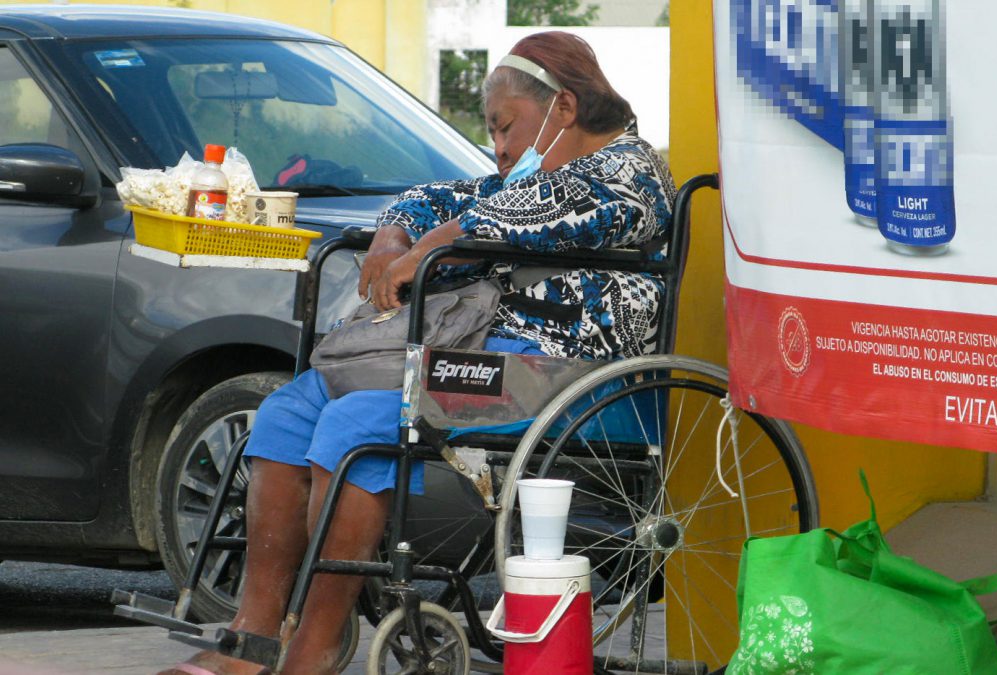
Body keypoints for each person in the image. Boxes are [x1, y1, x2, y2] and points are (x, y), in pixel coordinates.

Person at [161, 30, 675, 675]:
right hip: (485, 361)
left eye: (506, 126)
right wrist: (392, 236)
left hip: (562, 375)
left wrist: (426, 247)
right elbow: (438, 197)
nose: (500, 145)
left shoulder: (628, 173)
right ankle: (257, 631)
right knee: (289, 411)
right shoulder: (534, 174)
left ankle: (318, 640)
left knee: (356, 424)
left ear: (564, 109)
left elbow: (532, 215)